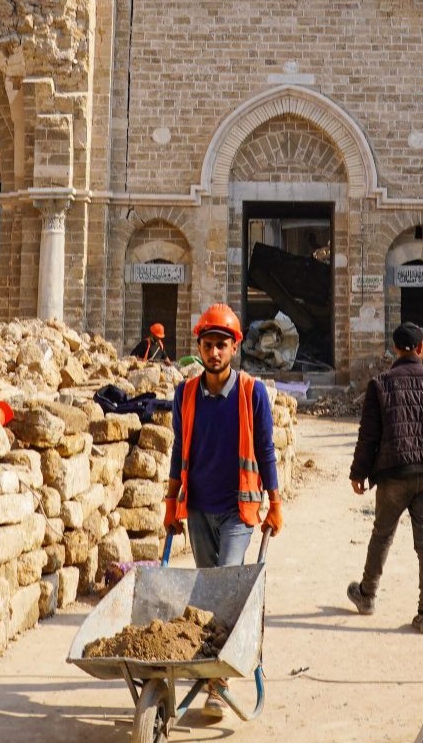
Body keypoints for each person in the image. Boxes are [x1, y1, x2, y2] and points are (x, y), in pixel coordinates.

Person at [164, 303, 283, 722]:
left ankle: (219, 684)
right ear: (198, 347)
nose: (215, 352)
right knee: (206, 590)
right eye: (208, 344)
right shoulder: (187, 393)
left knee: (226, 589)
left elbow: (266, 450)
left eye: (222, 345)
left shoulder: (253, 393)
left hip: (238, 508)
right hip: (197, 507)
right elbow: (180, 448)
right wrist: (170, 502)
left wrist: (276, 501)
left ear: (234, 349)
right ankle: (208, 663)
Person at [345, 321, 423, 635]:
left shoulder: (381, 384)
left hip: (394, 474)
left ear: (395, 349)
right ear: (422, 348)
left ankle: (367, 595)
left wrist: (359, 473)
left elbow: (369, 436)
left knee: (382, 534)